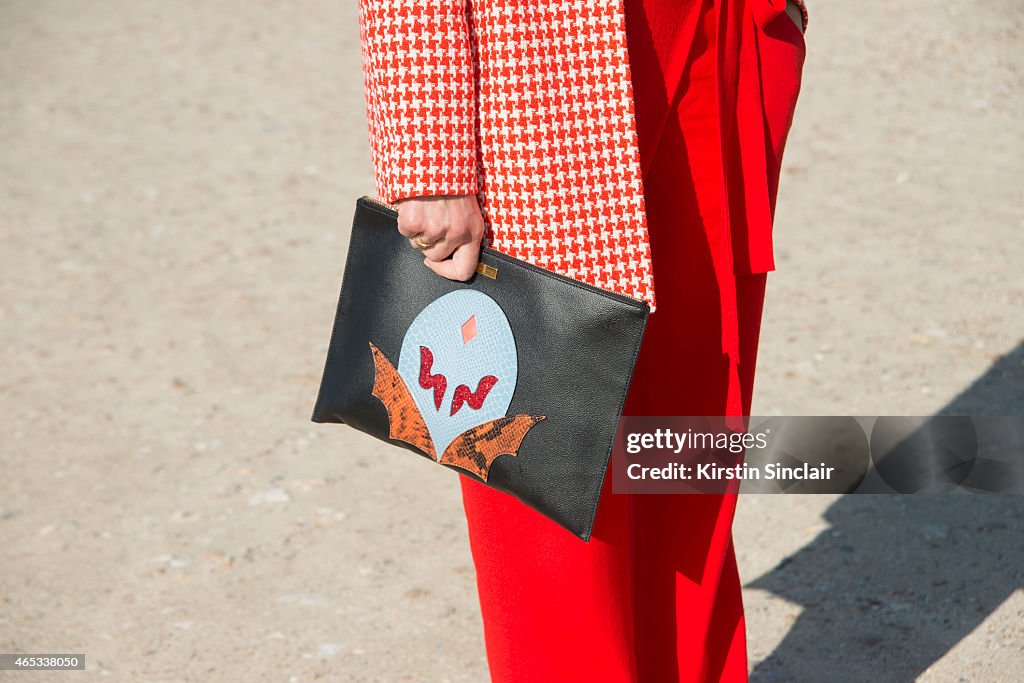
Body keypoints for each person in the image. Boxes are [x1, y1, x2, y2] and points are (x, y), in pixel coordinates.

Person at [356, 0, 807, 680]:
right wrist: (431, 157)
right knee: (544, 481)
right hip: (538, 64)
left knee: (685, 454)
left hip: (716, 37)